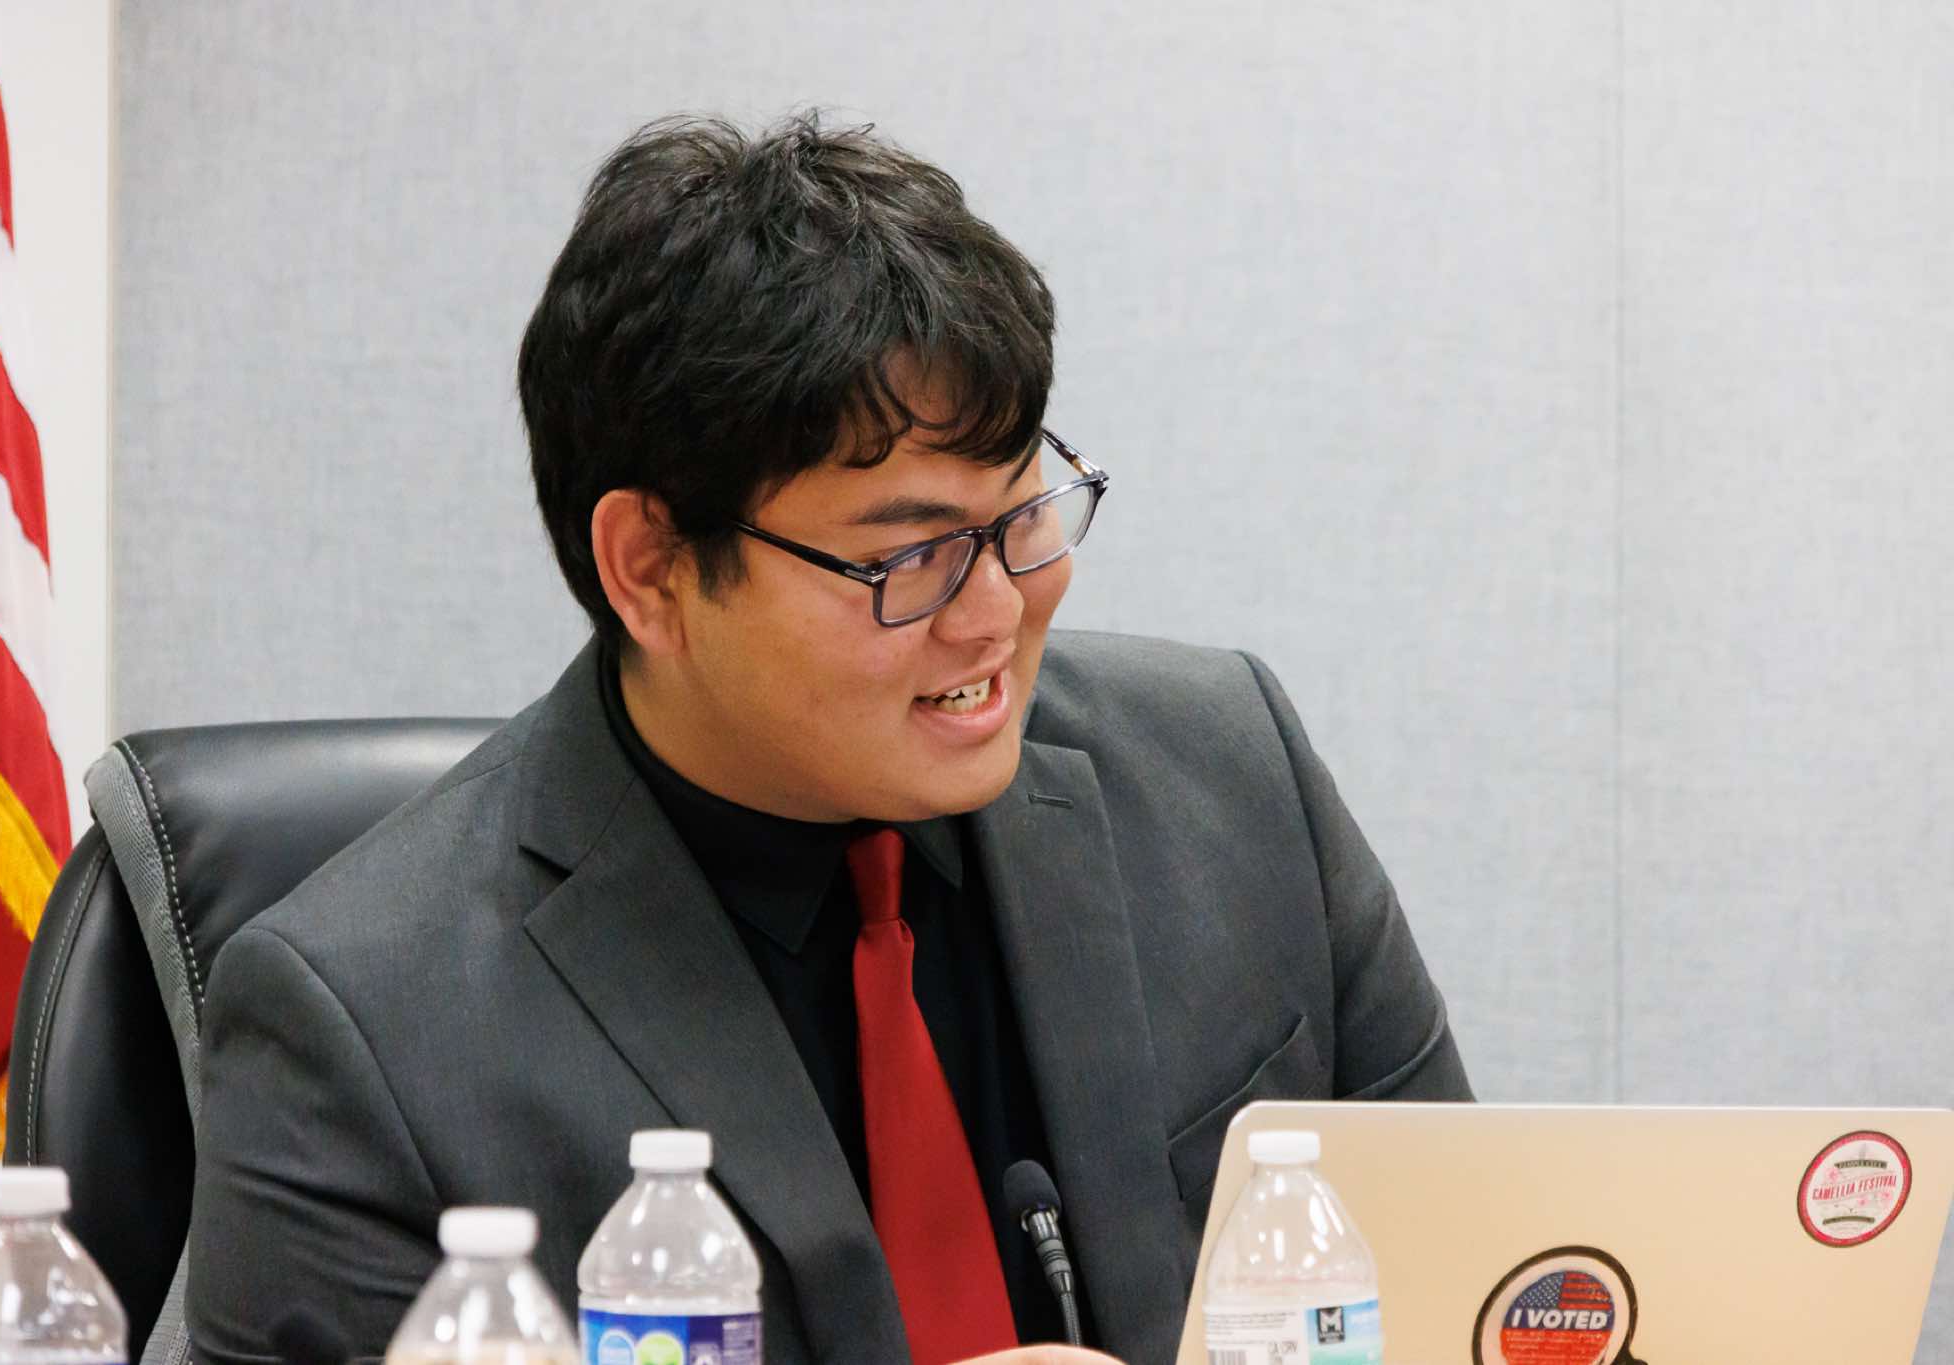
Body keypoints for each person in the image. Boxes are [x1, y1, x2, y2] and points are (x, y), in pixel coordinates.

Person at [186, 113, 1471, 1365]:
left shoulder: (1233, 781)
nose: (993, 613)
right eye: (908, 557)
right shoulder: (366, 1030)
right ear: (650, 569)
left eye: (1021, 514)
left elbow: (1470, 1292)